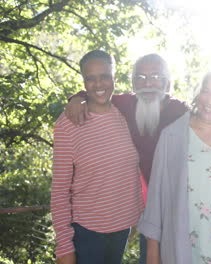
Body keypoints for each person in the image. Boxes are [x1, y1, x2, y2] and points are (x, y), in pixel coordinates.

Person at [65, 53, 188, 263]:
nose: (147, 83)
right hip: (146, 211)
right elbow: (97, 93)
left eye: (155, 76)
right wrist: (77, 98)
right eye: (140, 77)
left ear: (168, 84)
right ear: (133, 84)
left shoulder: (181, 111)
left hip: (179, 208)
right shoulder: (125, 104)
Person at [138, 70, 211, 264]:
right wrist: (152, 251)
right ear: (198, 93)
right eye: (206, 91)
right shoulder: (172, 136)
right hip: (180, 247)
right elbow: (155, 199)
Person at [51, 50, 143, 264]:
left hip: (122, 228)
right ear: (83, 81)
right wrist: (64, 244)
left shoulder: (128, 115)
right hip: (86, 232)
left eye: (105, 76)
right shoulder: (68, 123)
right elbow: (60, 189)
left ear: (115, 77)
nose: (98, 83)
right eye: (90, 78)